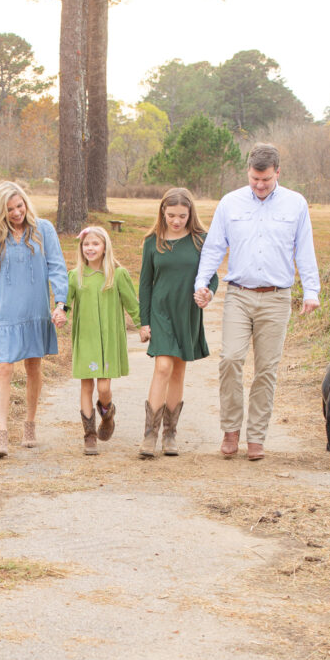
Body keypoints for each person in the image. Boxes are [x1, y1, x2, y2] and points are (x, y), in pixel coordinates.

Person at [194, 143, 320, 461]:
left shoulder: (295, 204)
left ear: (278, 173)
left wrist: (311, 291)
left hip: (276, 297)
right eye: (254, 179)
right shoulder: (230, 203)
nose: (260, 185)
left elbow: (304, 249)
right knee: (230, 359)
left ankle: (256, 437)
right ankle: (231, 430)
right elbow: (214, 247)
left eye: (265, 179)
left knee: (266, 369)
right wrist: (202, 283)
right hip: (239, 294)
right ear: (247, 172)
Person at [0, 181, 68, 458]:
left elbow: (57, 267)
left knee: (33, 367)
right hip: (6, 314)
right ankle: (2, 432)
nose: (17, 212)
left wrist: (61, 303)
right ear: (0, 211)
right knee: (3, 368)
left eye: (20, 206)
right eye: (10, 209)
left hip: (35, 311)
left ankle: (30, 424)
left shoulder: (44, 229)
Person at [138, 187, 218, 458]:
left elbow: (212, 277)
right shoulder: (153, 241)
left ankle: (170, 434)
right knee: (163, 366)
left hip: (187, 312)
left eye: (182, 216)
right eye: (171, 215)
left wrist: (208, 293)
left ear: (190, 213)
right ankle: (150, 434)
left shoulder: (200, 240)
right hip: (161, 312)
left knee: (178, 372)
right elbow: (145, 285)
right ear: (163, 211)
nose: (176, 221)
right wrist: (144, 321)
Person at [65, 226, 148, 455]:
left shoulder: (117, 274)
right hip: (86, 337)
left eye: (95, 244)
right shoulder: (75, 276)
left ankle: (107, 413)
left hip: (108, 340)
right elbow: (65, 302)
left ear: (105, 247)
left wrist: (142, 325)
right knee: (86, 385)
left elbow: (132, 304)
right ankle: (89, 435)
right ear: (81, 248)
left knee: (103, 388)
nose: (90, 248)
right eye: (86, 244)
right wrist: (60, 312)